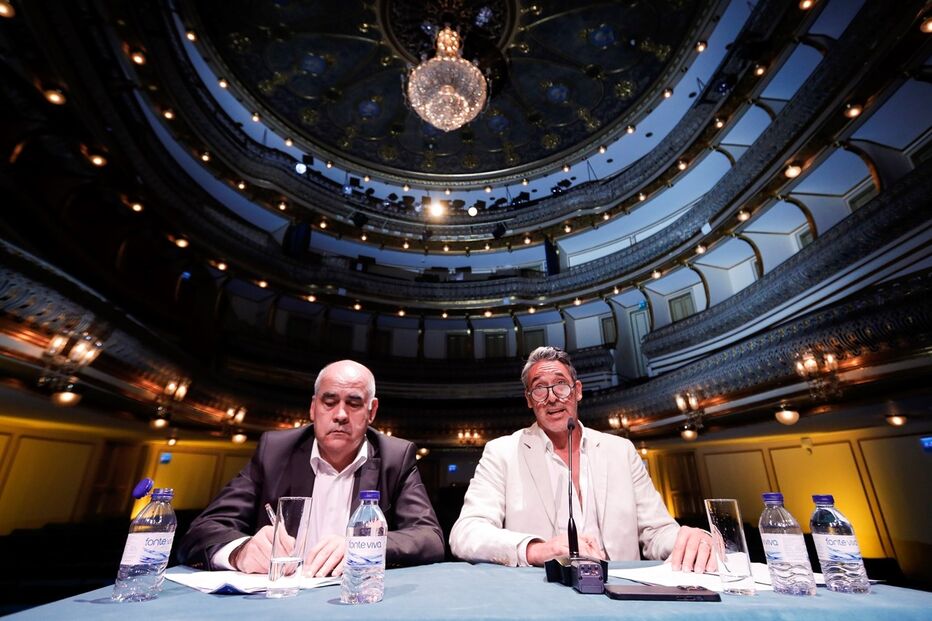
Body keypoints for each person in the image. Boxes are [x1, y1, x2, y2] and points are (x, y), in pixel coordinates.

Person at [449, 346, 716, 572]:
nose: (552, 398)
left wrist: (686, 537)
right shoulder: (502, 452)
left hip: (623, 597)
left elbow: (656, 532)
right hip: (543, 598)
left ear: (577, 391)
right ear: (529, 400)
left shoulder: (621, 450)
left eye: (561, 385)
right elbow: (466, 533)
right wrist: (537, 549)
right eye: (539, 389)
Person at [177, 360, 444, 576]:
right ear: (313, 408)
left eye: (353, 403)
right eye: (329, 402)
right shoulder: (275, 451)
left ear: (372, 411)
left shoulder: (395, 456)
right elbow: (203, 530)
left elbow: (429, 538)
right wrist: (240, 551)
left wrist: (362, 547)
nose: (340, 414)